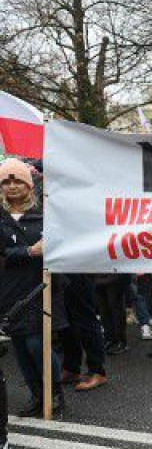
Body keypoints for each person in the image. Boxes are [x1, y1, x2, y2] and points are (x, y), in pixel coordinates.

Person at [0, 158, 68, 416]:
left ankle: (55, 394)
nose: (12, 186)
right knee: (20, 349)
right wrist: (29, 251)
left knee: (37, 345)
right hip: (9, 292)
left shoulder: (45, 215)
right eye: (6, 181)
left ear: (29, 185)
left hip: (40, 290)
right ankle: (37, 396)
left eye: (18, 180)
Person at [59, 274, 109, 392]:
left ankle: (97, 371)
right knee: (67, 320)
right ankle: (71, 368)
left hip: (78, 268)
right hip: (62, 268)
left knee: (86, 318)